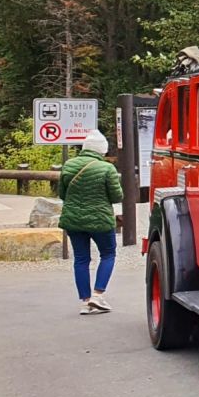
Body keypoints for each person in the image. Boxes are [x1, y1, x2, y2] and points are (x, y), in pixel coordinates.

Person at [59, 130, 123, 315]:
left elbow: (62, 194)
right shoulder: (107, 168)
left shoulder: (69, 165)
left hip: (73, 220)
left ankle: (86, 301)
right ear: (102, 150)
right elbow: (117, 196)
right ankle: (98, 294)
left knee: (81, 259)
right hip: (100, 220)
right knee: (108, 254)